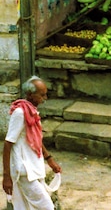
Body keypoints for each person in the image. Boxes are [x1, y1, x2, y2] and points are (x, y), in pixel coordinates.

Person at [3, 76, 61, 210]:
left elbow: (36, 139)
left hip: (34, 167)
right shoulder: (20, 113)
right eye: (41, 95)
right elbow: (7, 144)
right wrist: (6, 176)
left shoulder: (32, 112)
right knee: (47, 207)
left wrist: (49, 159)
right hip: (24, 170)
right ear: (30, 94)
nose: (44, 98)